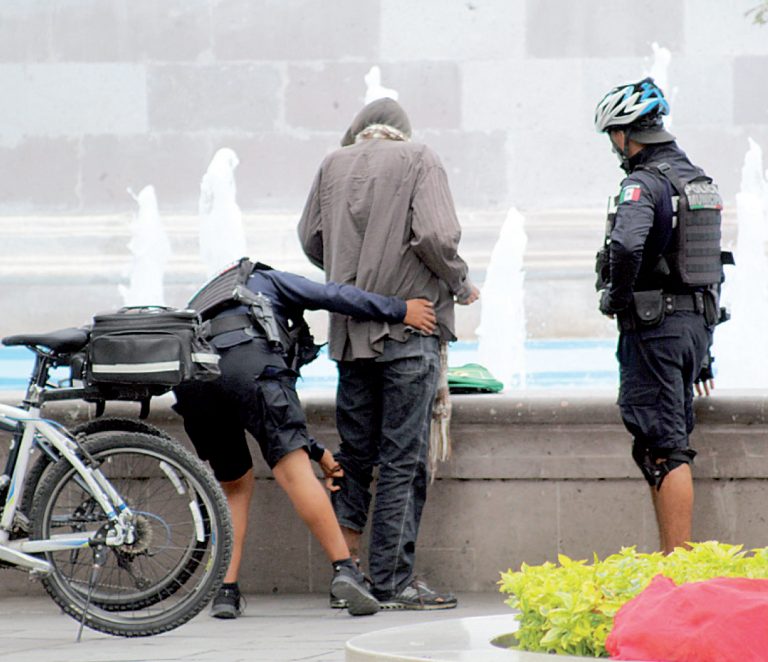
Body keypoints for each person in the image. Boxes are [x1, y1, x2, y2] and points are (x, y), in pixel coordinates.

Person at [172, 259, 437, 618]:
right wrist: (399, 309)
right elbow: (333, 295)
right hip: (251, 363)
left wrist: (318, 451)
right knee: (293, 473)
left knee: (234, 486)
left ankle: (225, 590)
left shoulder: (208, 297)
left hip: (194, 379)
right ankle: (346, 570)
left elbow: (268, 415)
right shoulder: (269, 280)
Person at [298, 98, 479, 610]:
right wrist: (460, 282)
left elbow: (311, 238)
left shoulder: (332, 163)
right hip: (409, 333)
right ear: (402, 132)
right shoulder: (420, 158)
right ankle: (392, 582)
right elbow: (436, 235)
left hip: (351, 335)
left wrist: (350, 269)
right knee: (402, 460)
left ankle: (347, 575)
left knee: (355, 459)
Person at [593, 77, 727, 554]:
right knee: (661, 442)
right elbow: (708, 265)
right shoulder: (697, 179)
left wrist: (616, 296)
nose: (614, 147)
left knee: (664, 447)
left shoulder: (642, 183)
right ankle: (671, 565)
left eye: (613, 136)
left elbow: (627, 245)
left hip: (656, 329)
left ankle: (676, 571)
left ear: (626, 134)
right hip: (693, 327)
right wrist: (704, 351)